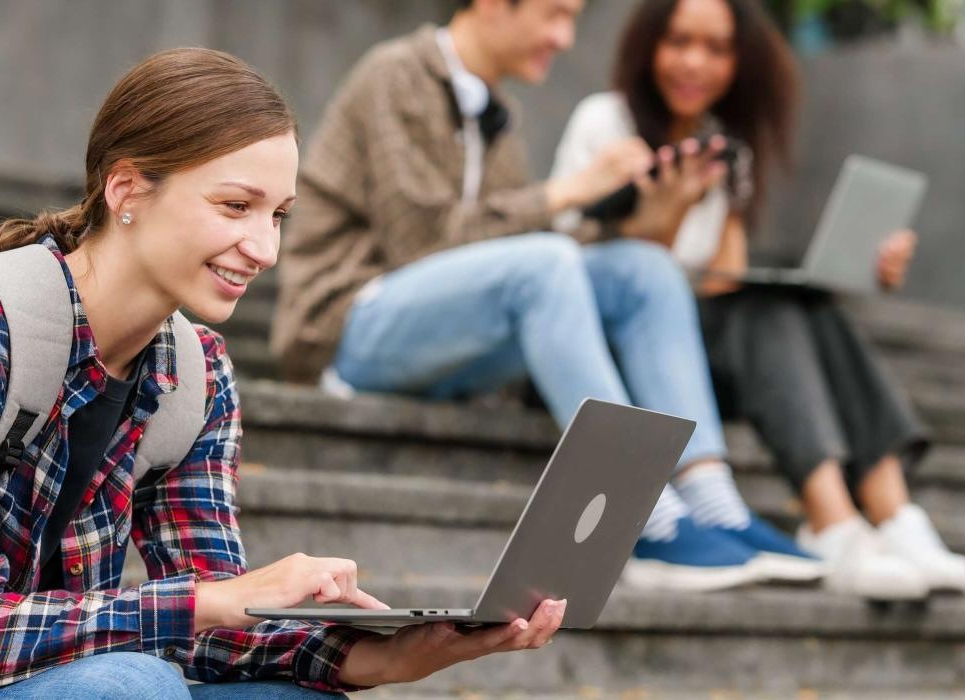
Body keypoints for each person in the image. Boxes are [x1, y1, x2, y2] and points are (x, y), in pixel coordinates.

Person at [0, 48, 567, 700]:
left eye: (278, 217)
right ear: (127, 188)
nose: (266, 249)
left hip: (37, 688)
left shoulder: (194, 371)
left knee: (292, 698)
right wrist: (215, 601)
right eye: (235, 207)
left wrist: (380, 658)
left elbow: (209, 620)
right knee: (132, 685)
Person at [271, 0, 822, 593]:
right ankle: (640, 516)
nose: (564, 38)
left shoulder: (499, 109)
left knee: (642, 268)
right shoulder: (395, 72)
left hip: (449, 347)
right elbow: (421, 240)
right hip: (347, 329)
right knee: (546, 262)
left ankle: (714, 502)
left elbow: (511, 246)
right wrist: (571, 189)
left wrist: (638, 217)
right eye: (554, 14)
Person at [550, 0, 965, 599]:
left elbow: (727, 284)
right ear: (649, 46)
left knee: (797, 305)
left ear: (739, 62)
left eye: (717, 48)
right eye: (679, 42)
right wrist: (666, 214)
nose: (694, 62)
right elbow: (582, 273)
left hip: (697, 365)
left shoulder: (726, 150)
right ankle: (835, 522)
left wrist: (863, 271)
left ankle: (894, 516)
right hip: (609, 354)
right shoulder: (607, 123)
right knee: (765, 309)